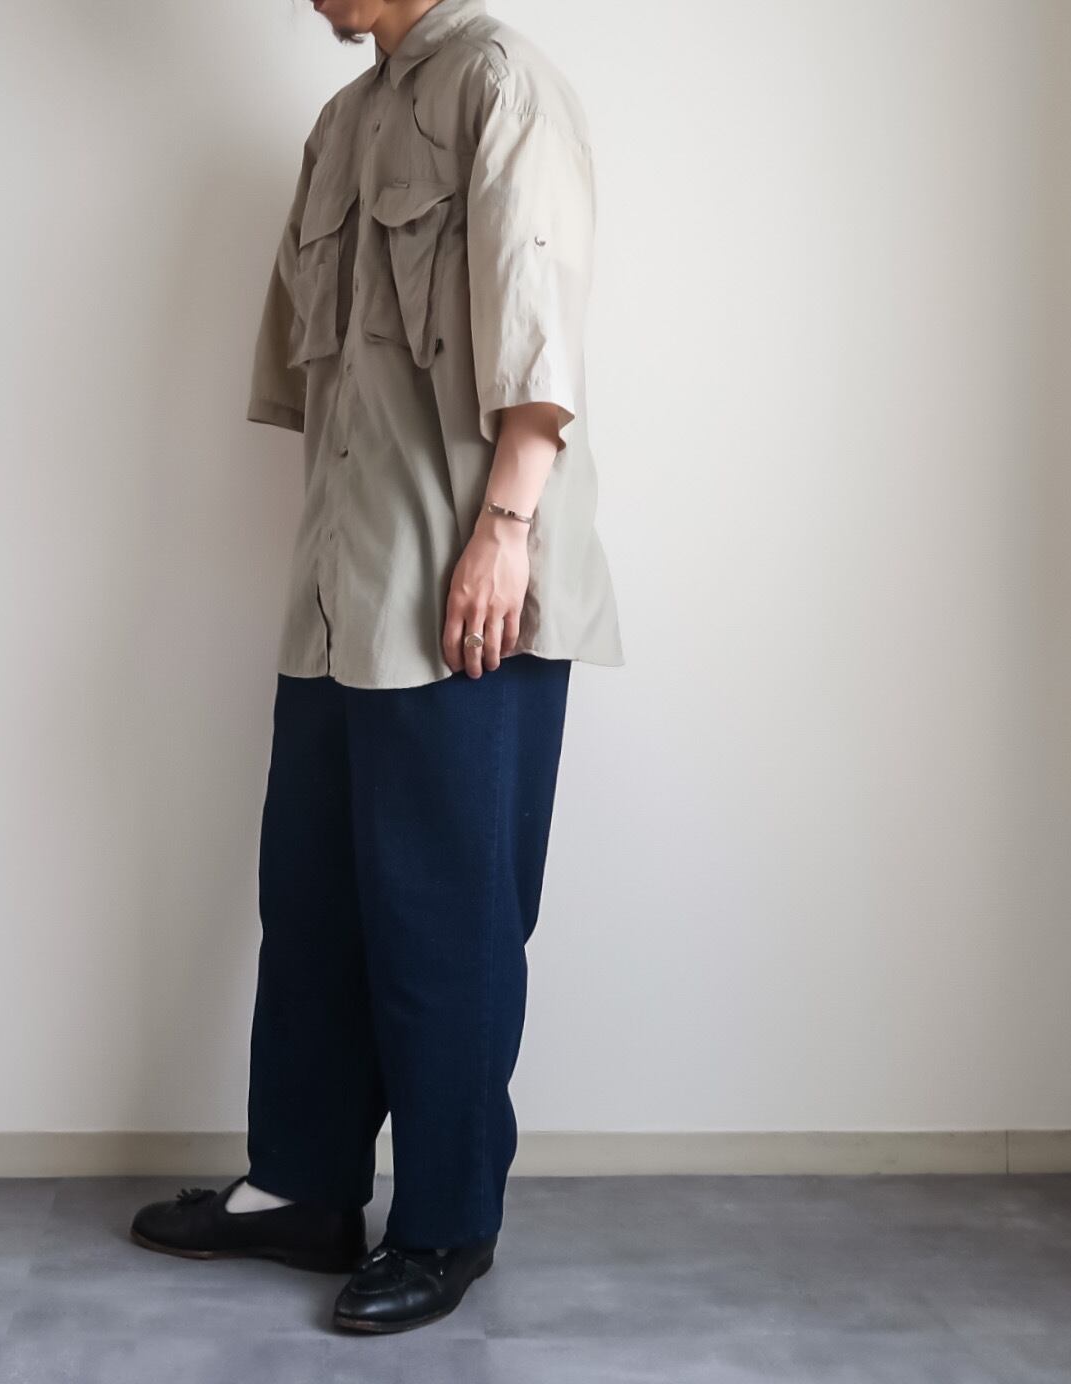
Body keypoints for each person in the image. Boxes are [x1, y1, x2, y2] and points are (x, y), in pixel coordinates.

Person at [129, 0, 623, 1335]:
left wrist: (504, 532)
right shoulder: (341, 125)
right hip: (340, 588)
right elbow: (325, 381)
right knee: (312, 902)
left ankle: (447, 1221)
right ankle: (301, 1187)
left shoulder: (501, 84)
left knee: (447, 922)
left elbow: (539, 329)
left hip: (465, 591)